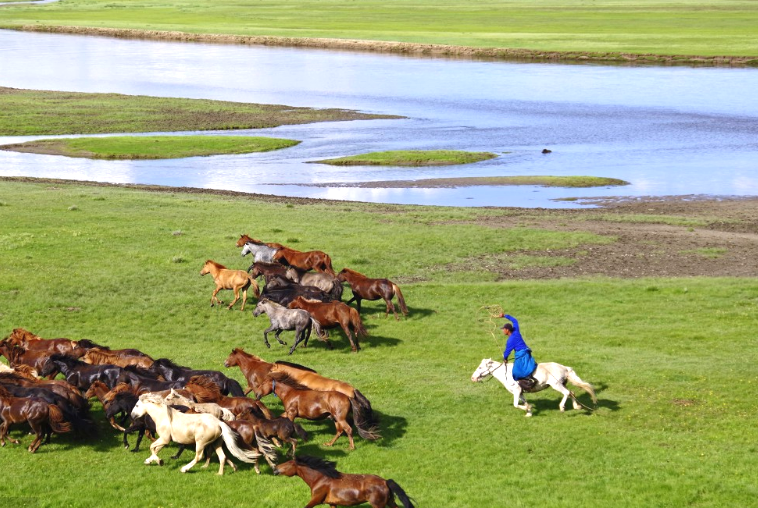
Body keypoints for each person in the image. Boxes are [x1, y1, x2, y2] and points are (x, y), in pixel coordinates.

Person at [501, 314, 538, 390]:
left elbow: (507, 351)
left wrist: (505, 358)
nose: (503, 330)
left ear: (507, 330)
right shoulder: (516, 331)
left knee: (516, 371)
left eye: (504, 329)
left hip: (521, 354)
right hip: (526, 351)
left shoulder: (511, 340)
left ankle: (528, 381)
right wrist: (504, 315)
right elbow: (514, 320)